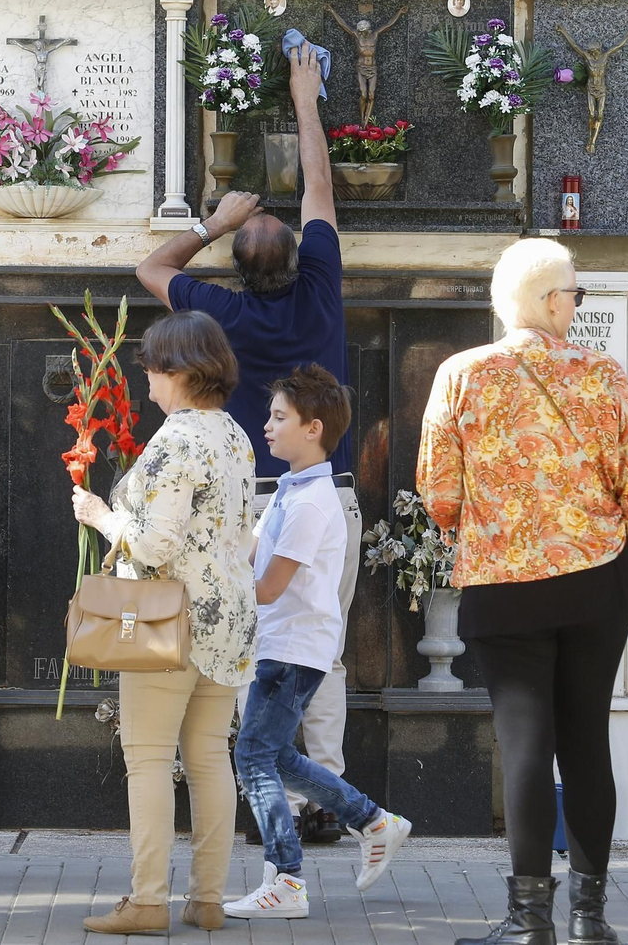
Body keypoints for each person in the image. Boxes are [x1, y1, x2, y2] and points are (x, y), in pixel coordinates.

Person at [137, 43, 361, 845]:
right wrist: (306, 96)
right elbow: (322, 190)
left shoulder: (218, 312)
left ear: (236, 268)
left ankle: (257, 779)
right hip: (325, 497)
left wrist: (213, 223)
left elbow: (149, 266)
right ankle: (323, 795)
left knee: (246, 640)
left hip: (249, 502)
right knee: (320, 646)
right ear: (300, 259)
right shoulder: (323, 291)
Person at [418, 238, 628, 945]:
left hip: (504, 581)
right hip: (595, 580)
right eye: (575, 295)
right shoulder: (603, 374)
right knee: (588, 741)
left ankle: (529, 923)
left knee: (525, 742)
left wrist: (484, 524)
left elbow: (437, 487)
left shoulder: (462, 373)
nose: (576, 306)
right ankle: (590, 918)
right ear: (553, 301)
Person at [70, 311, 259, 936]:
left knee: (147, 758)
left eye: (151, 364)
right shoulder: (234, 434)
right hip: (229, 617)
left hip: (167, 620)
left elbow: (154, 545)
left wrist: (101, 515)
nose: (145, 375)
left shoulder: (177, 439)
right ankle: (208, 901)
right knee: (209, 757)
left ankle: (147, 901)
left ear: (179, 370)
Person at [227, 365, 411, 921]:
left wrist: (208, 598)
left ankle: (286, 878)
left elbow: (266, 587)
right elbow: (251, 555)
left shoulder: (310, 503)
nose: (267, 426)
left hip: (292, 649)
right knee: (271, 754)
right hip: (284, 645)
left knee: (254, 757)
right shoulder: (293, 487)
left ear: (313, 428)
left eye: (279, 417)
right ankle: (374, 821)